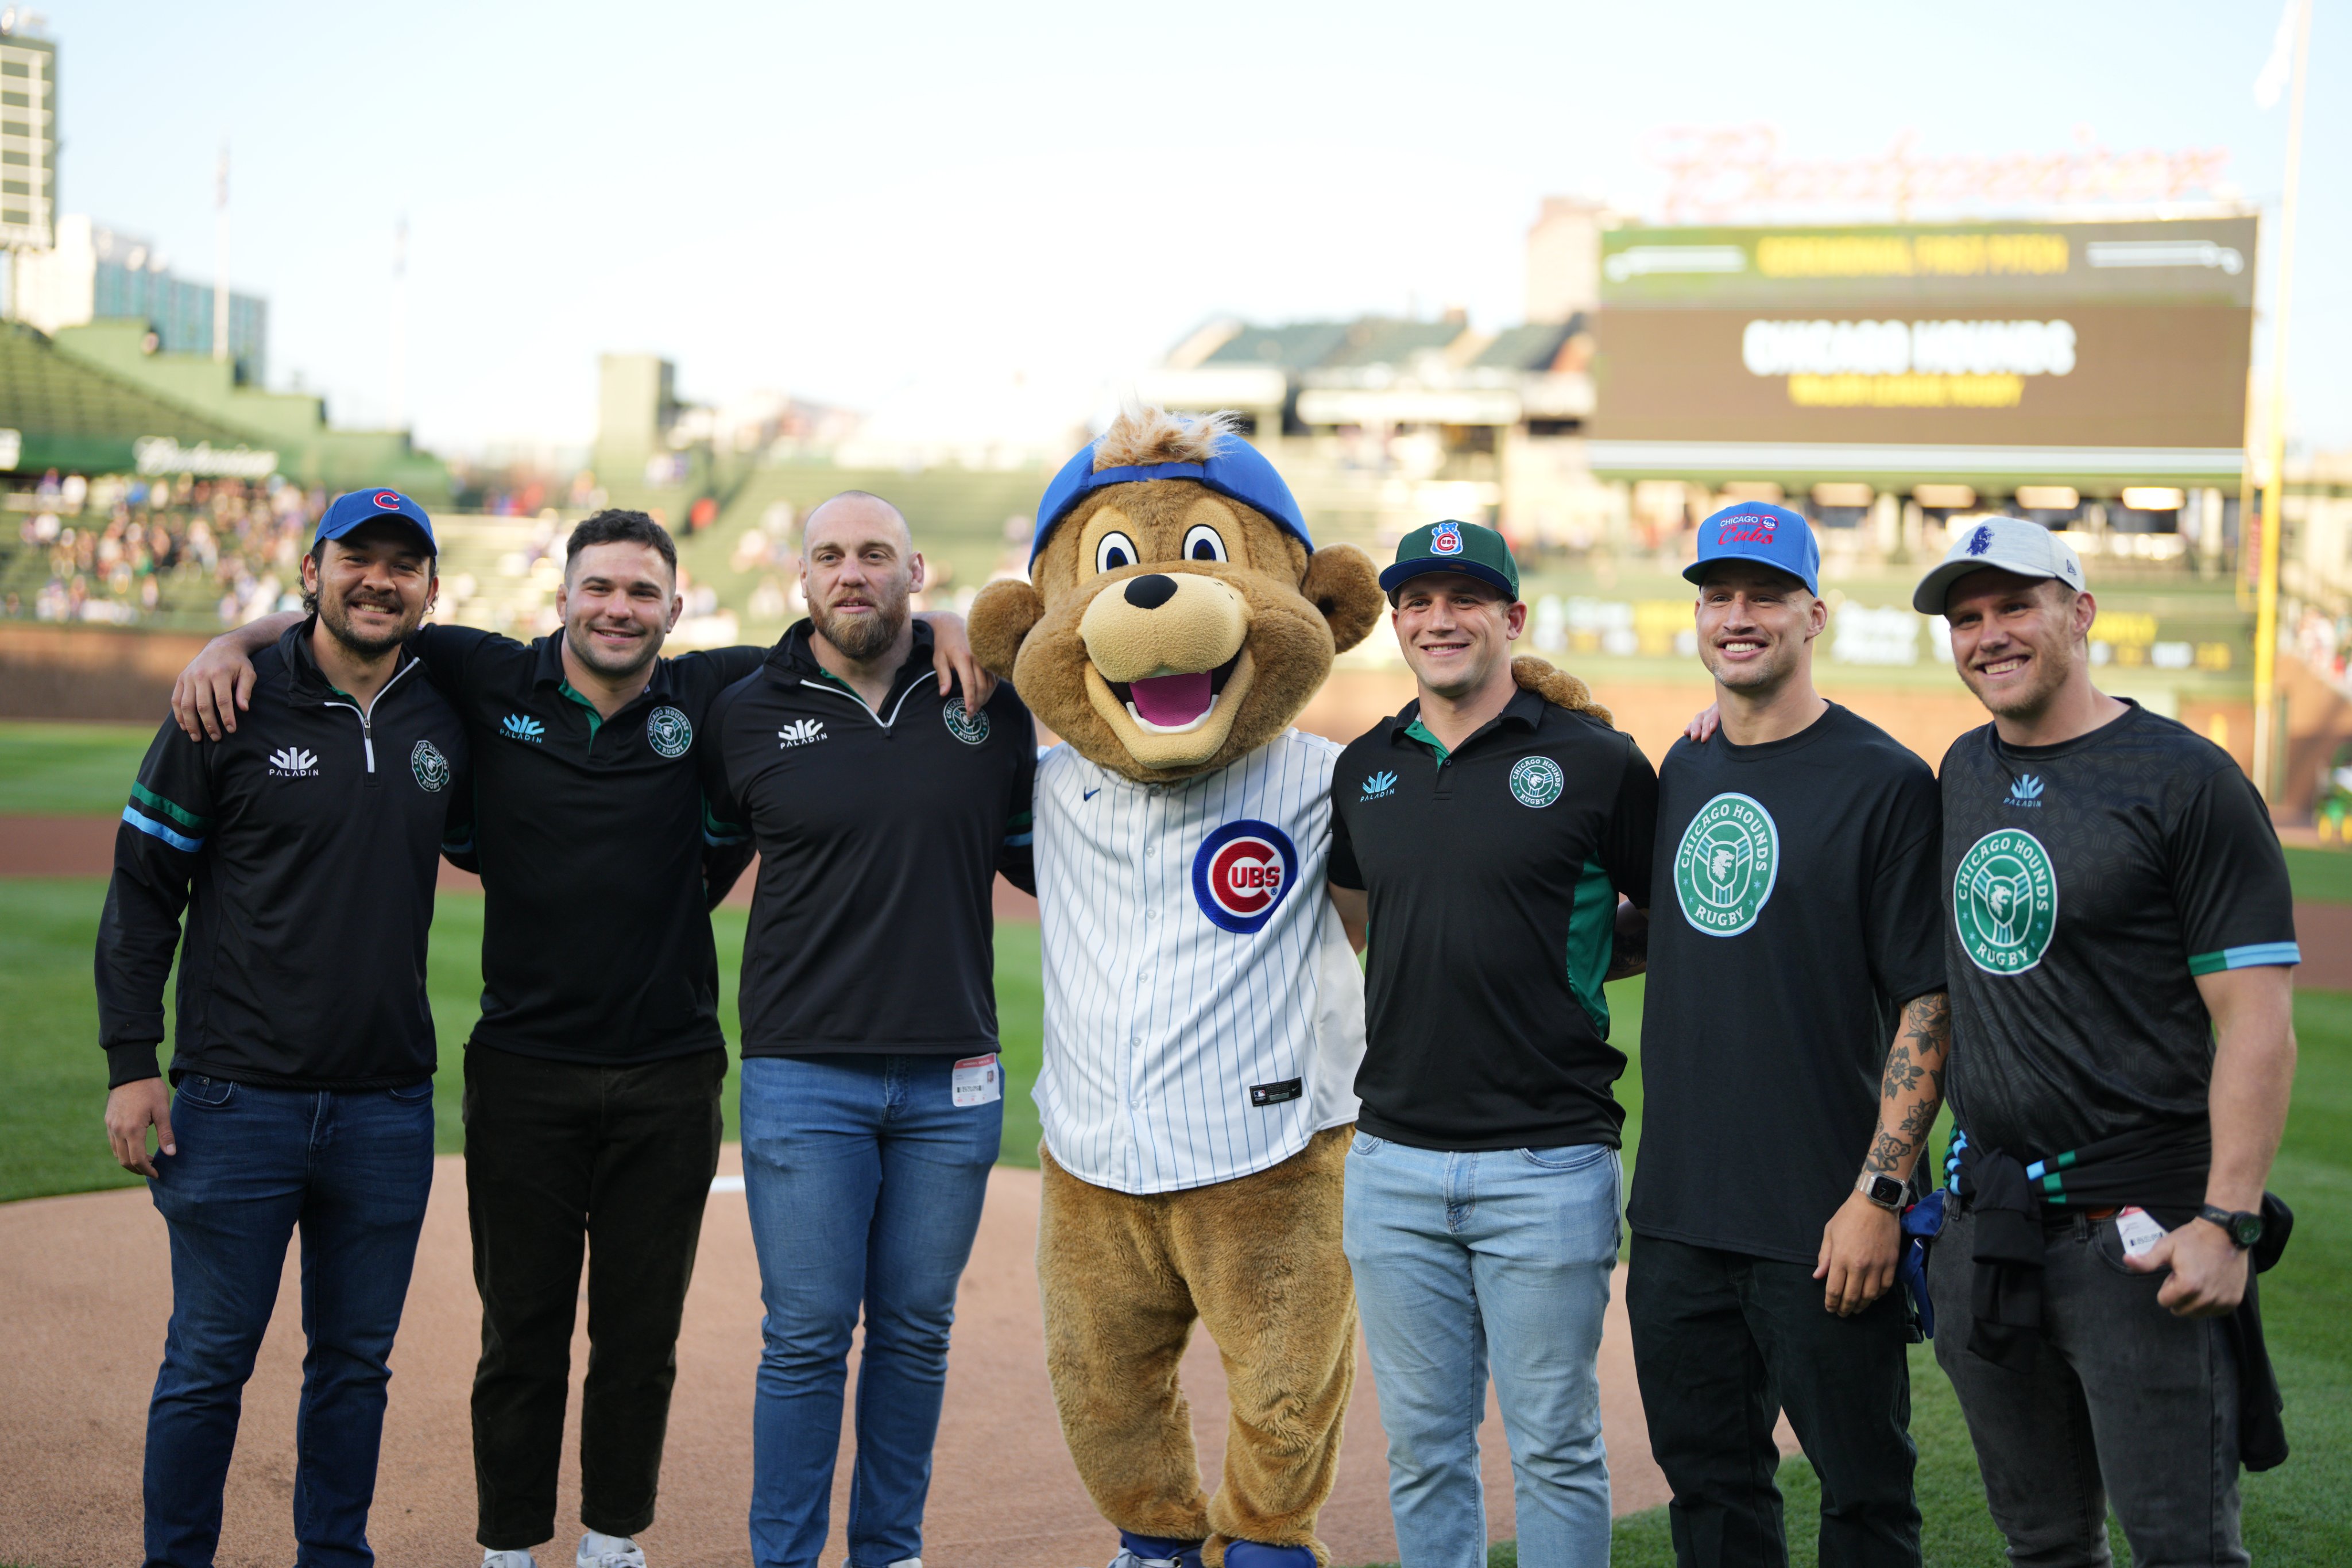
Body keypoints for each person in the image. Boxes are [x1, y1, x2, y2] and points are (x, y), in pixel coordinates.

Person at [167, 508, 990, 1568]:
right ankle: (509, 1544)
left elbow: (849, 628)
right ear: (561, 599)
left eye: (643, 593)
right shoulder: (484, 675)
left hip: (670, 1070)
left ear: (675, 610)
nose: (619, 608)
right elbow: (353, 621)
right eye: (599, 587)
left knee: (640, 1339)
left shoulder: (712, 693)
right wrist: (229, 642)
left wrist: (950, 620)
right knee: (521, 1335)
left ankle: (612, 1538)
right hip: (521, 1071)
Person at [96, 488, 473, 1568]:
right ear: (311, 570)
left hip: (389, 1104)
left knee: (355, 1367)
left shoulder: (444, 714)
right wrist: (133, 1066)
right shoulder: (227, 701)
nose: (379, 579)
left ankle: (333, 1557)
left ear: (432, 591)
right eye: (357, 557)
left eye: (405, 565)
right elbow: (140, 896)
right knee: (209, 1360)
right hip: (233, 1101)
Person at [1914, 517, 2299, 1567]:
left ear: (2080, 612)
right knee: (2041, 1545)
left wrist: (2228, 1219)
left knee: (2181, 1548)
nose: (1988, 635)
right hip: (1991, 1227)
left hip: (2141, 1239)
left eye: (2015, 607)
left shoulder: (2185, 779)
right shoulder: (1961, 770)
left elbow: (2257, 1015)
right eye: (1967, 618)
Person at [699, 492, 1036, 1568]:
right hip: (805, 1077)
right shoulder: (747, 709)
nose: (853, 572)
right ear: (801, 579)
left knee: (913, 1337)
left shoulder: (988, 704)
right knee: (803, 1340)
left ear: (917, 572)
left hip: (954, 1082)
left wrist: (974, 636)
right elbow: (693, 872)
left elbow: (1051, 860)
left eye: (876, 555)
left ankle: (889, 1552)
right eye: (831, 556)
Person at [1325, 521, 1657, 1568]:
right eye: (1416, 602)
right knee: (1425, 1450)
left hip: (1548, 1159)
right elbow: (1359, 917)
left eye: (1465, 598)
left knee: (1556, 1448)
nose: (1439, 619)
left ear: (1511, 618)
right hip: (1394, 1164)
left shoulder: (1598, 761)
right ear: (1396, 625)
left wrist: (1566, 955)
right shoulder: (1365, 766)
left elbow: (1679, 918)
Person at [1626, 502, 1947, 1568]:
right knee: (1711, 1496)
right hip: (1678, 1220)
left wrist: (1879, 1197)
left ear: (1817, 615)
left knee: (1864, 1497)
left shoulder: (1888, 781)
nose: (1738, 615)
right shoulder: (1686, 765)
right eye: (1718, 596)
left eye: (1765, 594)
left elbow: (1927, 1002)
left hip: (1824, 1220)